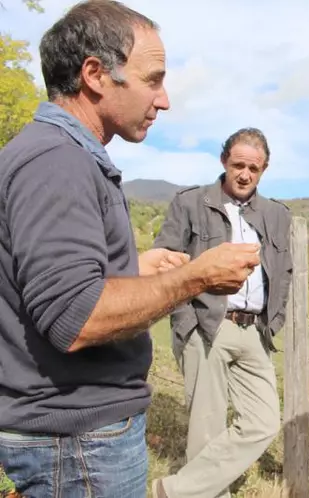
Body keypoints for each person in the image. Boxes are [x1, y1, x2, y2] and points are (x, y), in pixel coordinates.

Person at [0, 2, 260, 497]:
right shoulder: (58, 162)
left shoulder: (58, 155)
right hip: (78, 446)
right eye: (153, 79)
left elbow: (48, 285)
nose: (163, 100)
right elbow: (76, 318)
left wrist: (132, 270)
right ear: (96, 74)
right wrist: (196, 279)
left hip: (74, 440)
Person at [150, 128, 292, 498]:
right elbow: (164, 262)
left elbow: (285, 271)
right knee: (206, 427)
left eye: (254, 168)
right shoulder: (191, 203)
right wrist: (186, 319)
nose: (245, 174)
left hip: (255, 331)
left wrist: (274, 321)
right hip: (206, 324)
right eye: (238, 165)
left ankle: (173, 491)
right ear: (223, 162)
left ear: (264, 169)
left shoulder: (277, 214)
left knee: (263, 423)